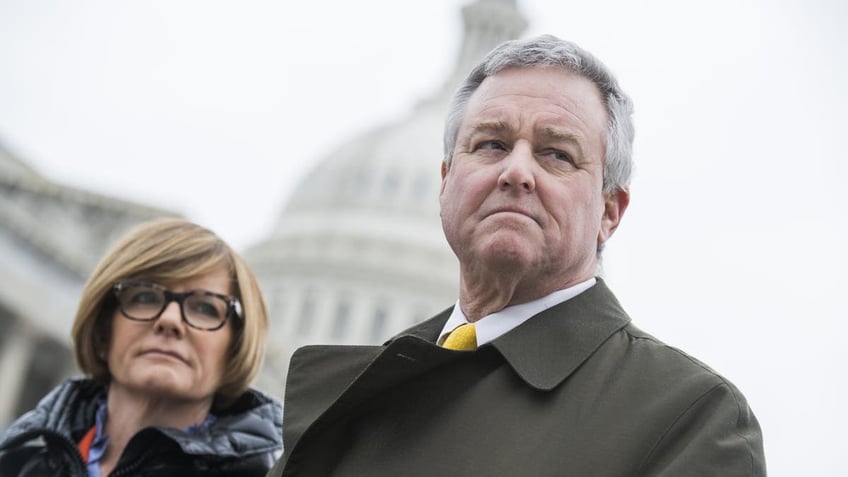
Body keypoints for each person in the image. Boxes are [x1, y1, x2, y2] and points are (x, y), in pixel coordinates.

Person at [267, 35, 765, 476]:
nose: (516, 171)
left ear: (610, 211)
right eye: (491, 144)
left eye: (557, 154)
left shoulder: (687, 417)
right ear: (446, 183)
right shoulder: (354, 393)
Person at [0, 218, 282, 476]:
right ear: (102, 329)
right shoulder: (15, 464)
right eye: (145, 296)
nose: (169, 319)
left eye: (205, 308)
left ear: (234, 349)